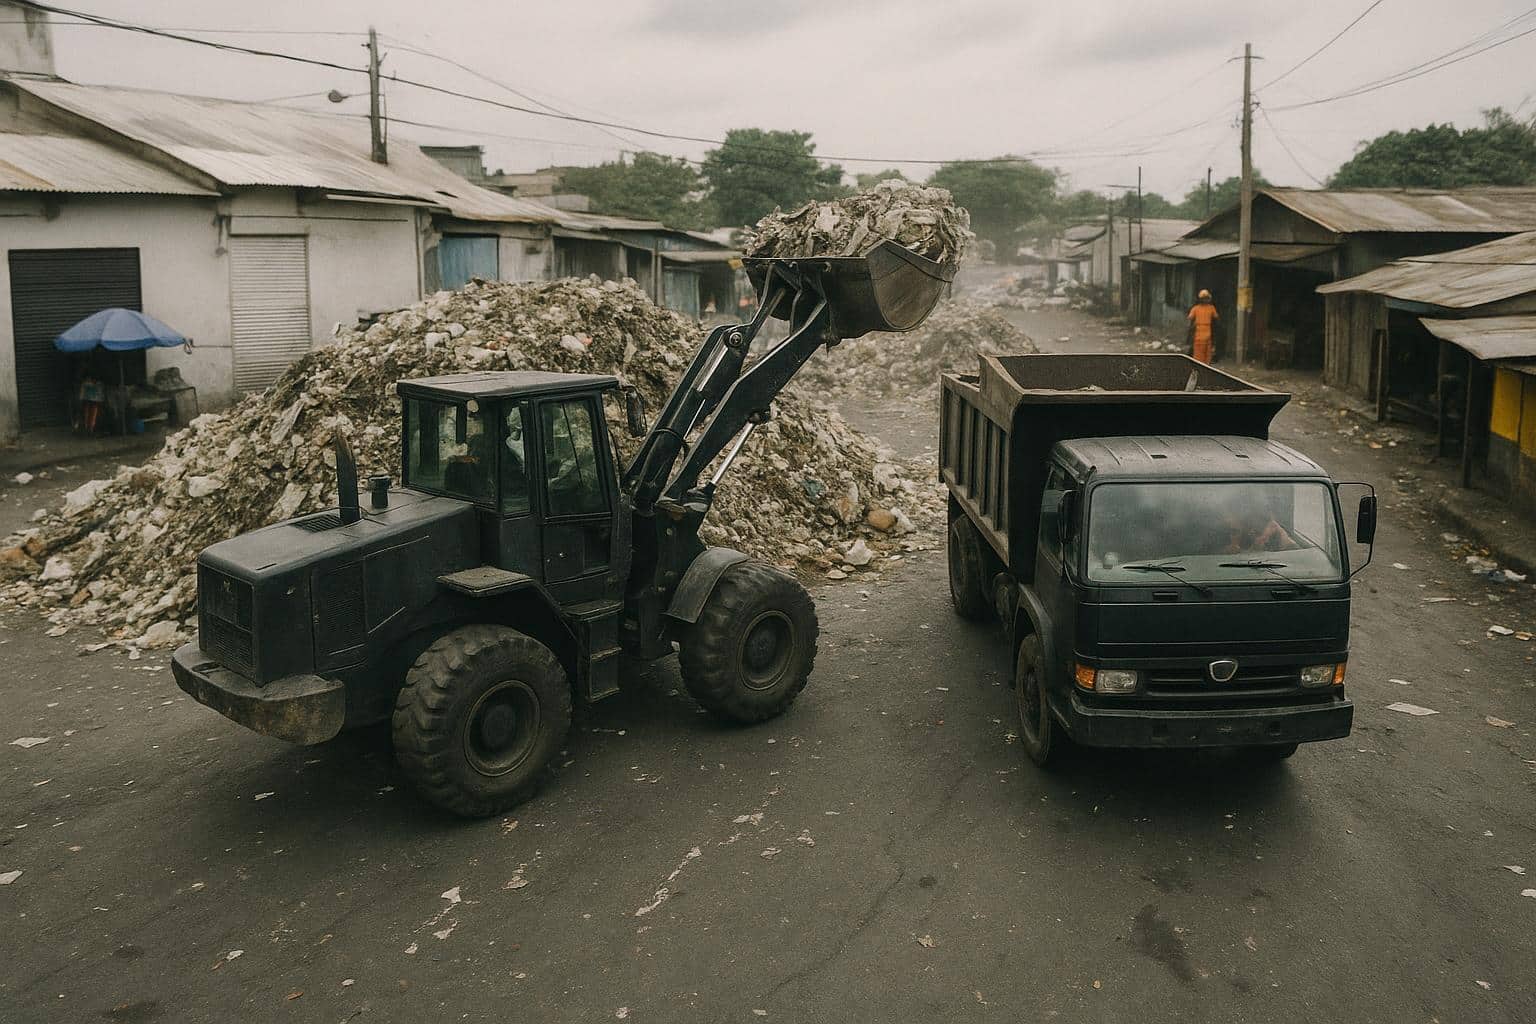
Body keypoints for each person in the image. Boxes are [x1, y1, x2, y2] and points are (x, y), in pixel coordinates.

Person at [1186, 289, 1220, 365]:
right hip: (1206, 333)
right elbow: (1216, 318)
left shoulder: (1195, 308)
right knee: (1206, 353)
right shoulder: (1211, 308)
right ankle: (1205, 366)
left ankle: (1199, 365)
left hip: (1200, 334)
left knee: (1199, 354)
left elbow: (1189, 319)